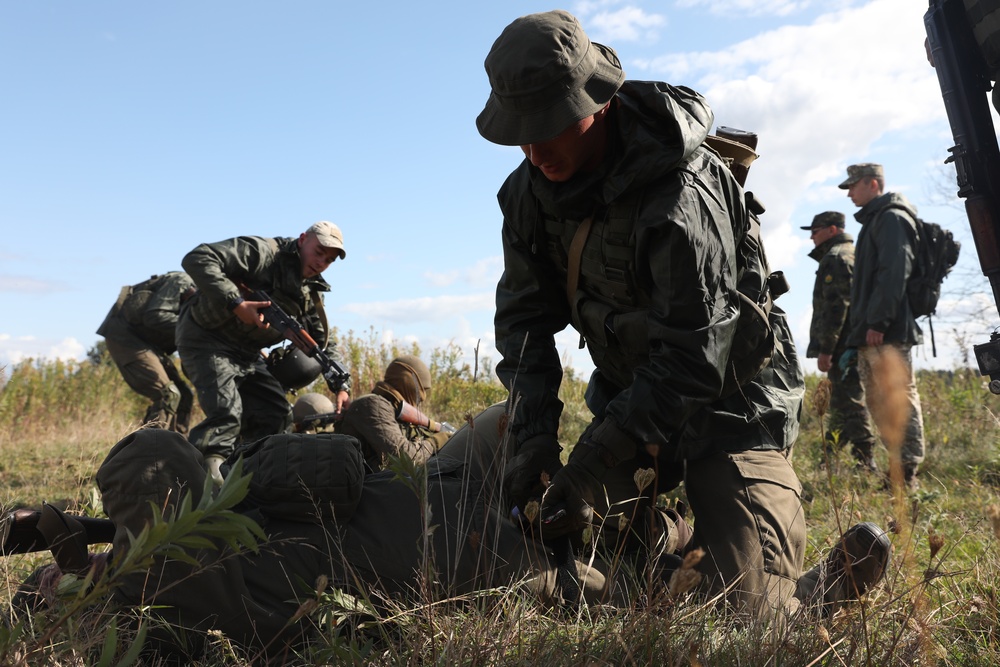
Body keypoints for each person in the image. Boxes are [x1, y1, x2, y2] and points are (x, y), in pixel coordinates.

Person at [476, 9, 888, 619]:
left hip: (731, 407)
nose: (536, 151)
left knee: (748, 621)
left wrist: (588, 467)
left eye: (551, 126)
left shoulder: (680, 191)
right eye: (522, 133)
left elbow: (695, 357)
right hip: (630, 408)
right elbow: (524, 324)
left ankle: (816, 590)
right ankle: (668, 541)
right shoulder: (528, 196)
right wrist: (533, 442)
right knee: (551, 557)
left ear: (599, 102)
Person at [7, 403, 891, 662]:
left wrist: (88, 565)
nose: (53, 583)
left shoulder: (182, 570)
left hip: (465, 554)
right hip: (465, 526)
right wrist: (91, 558)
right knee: (618, 567)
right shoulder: (241, 501)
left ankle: (784, 597)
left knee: (611, 580)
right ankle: (788, 593)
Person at [177, 221, 351, 484]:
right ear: (303, 239)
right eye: (318, 252)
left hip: (246, 353)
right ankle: (196, 494)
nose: (321, 263)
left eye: (328, 260)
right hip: (206, 339)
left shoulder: (310, 292)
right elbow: (198, 257)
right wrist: (236, 303)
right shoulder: (264, 252)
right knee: (226, 414)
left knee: (277, 414)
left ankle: (249, 483)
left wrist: (341, 385)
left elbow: (322, 342)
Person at [840, 163, 925, 489]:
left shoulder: (890, 218)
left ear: (872, 184)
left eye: (852, 186)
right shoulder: (876, 220)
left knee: (897, 399)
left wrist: (877, 322)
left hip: (886, 329)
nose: (849, 193)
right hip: (873, 330)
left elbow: (894, 272)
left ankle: (906, 473)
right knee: (879, 401)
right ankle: (896, 471)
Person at [801, 211, 878, 470]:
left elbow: (836, 308)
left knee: (851, 401)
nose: (812, 236)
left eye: (816, 230)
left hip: (845, 345)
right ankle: (829, 459)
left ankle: (866, 462)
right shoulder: (853, 254)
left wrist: (827, 348)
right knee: (840, 402)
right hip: (855, 342)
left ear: (832, 230)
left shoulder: (836, 258)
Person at [96, 271, 196, 435]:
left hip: (147, 342)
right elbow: (154, 316)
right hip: (124, 337)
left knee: (184, 394)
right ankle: (146, 454)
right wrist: (193, 327)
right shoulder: (182, 281)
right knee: (167, 395)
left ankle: (176, 451)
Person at [325, 355, 451, 471]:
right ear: (408, 382)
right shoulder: (374, 405)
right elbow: (406, 460)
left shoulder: (392, 410)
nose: (422, 397)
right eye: (422, 389)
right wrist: (436, 441)